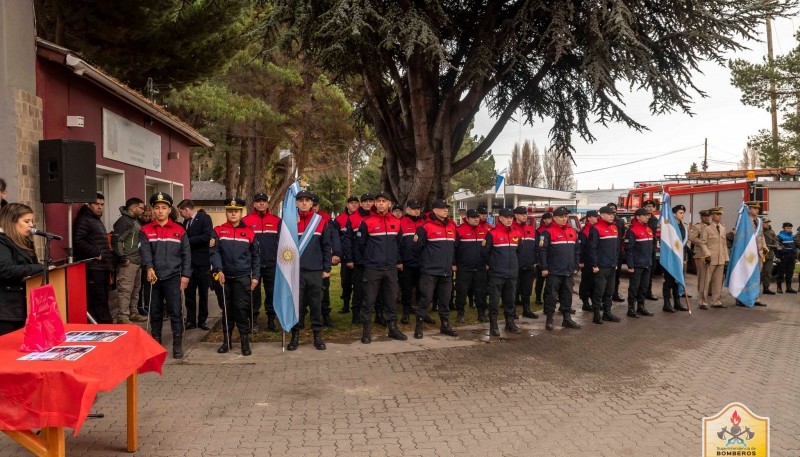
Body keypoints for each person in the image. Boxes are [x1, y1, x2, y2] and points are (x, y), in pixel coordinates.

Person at [139, 193, 192, 359]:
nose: (160, 211)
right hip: (153, 277)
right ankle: (156, 344)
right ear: (153, 210)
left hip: (173, 277)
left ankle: (177, 344)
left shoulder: (179, 230)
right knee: (154, 312)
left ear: (169, 210)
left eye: (164, 208)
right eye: (157, 208)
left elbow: (186, 255)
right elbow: (144, 251)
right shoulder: (145, 230)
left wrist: (185, 275)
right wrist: (149, 267)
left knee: (176, 311)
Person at [210, 197, 260, 356]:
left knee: (242, 310)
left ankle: (245, 342)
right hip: (224, 277)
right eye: (230, 211)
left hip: (242, 277)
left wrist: (255, 277)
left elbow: (256, 256)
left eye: (236, 211)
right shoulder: (217, 231)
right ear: (227, 212)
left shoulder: (250, 232)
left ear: (241, 212)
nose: (233, 214)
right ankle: (227, 341)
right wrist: (218, 269)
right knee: (227, 310)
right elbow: (214, 252)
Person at [356, 191, 406, 343]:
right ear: (375, 204)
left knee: (391, 300)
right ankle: (366, 331)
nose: (381, 203)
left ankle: (392, 329)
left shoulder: (397, 222)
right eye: (378, 201)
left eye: (384, 201)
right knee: (369, 300)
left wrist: (395, 261)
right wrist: (371, 258)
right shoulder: (367, 222)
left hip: (390, 269)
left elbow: (399, 245)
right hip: (373, 268)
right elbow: (361, 244)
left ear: (389, 204)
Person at [285, 191, 332, 351]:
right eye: (301, 200)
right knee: (297, 305)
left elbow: (326, 246)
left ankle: (317, 336)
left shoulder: (320, 222)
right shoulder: (290, 221)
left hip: (315, 271)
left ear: (312, 204)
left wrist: (326, 268)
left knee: (316, 304)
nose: (304, 203)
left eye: (307, 201)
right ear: (296, 203)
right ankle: (295, 336)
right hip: (295, 271)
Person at [412, 199, 458, 339]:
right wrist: (426, 262)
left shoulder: (451, 226)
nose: (446, 210)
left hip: (446, 272)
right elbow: (416, 249)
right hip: (430, 272)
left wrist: (453, 263)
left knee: (445, 300)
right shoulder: (425, 227)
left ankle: (445, 325)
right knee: (425, 299)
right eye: (442, 208)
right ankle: (418, 327)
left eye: (446, 208)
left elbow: (453, 248)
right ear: (435, 210)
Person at [0, 203, 44, 336]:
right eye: (26, 221)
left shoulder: (25, 241)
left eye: (31, 221)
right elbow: (5, 269)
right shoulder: (2, 241)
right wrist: (39, 267)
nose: (31, 225)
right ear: (12, 221)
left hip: (24, 305)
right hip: (7, 311)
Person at [242, 192, 281, 331]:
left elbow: (282, 243)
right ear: (254, 204)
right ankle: (253, 320)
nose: (261, 203)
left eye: (264, 201)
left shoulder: (277, 220)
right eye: (258, 201)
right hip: (253, 265)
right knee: (253, 294)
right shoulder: (245, 221)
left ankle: (271, 320)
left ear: (268, 203)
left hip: (272, 264)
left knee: (272, 293)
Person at [73, 193, 114, 324]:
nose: (100, 207)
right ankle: (104, 325)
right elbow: (78, 240)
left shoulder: (95, 219)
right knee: (98, 299)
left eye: (102, 204)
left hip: (102, 266)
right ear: (89, 205)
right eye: (97, 204)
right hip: (93, 267)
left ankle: (105, 324)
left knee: (103, 298)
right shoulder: (84, 219)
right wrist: (96, 253)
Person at [538, 206, 581, 331]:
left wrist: (575, 265)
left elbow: (577, 250)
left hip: (568, 271)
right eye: (562, 217)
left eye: (566, 216)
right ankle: (549, 319)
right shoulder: (547, 232)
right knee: (551, 296)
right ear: (554, 218)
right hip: (554, 271)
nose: (564, 219)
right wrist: (544, 267)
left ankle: (566, 319)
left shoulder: (572, 231)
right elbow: (542, 251)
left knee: (567, 295)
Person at [481, 208, 522, 336]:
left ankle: (509, 323)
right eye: (507, 217)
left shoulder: (516, 233)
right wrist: (492, 264)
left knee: (510, 301)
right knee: (494, 301)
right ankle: (493, 325)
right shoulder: (492, 233)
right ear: (501, 218)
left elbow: (519, 252)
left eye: (511, 217)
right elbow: (484, 252)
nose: (509, 220)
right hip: (497, 274)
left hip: (512, 274)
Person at [178, 199, 214, 331]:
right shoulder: (185, 222)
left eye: (181, 212)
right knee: (189, 294)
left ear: (186, 209)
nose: (181, 215)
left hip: (202, 262)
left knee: (203, 294)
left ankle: (202, 320)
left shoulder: (204, 218)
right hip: (189, 264)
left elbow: (206, 236)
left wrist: (187, 241)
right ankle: (191, 320)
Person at [111, 197, 147, 324]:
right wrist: (122, 258)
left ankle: (133, 312)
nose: (143, 211)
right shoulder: (124, 222)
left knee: (136, 289)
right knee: (125, 290)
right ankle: (123, 317)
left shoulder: (135, 221)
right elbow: (117, 240)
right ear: (133, 207)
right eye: (141, 208)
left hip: (137, 260)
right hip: (128, 262)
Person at [585, 206, 622, 324]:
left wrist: (615, 262)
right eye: (610, 214)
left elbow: (617, 247)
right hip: (601, 266)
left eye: (614, 214)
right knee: (599, 291)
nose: (613, 216)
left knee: (609, 291)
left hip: (611, 265)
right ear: (602, 215)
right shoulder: (596, 228)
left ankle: (607, 313)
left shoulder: (614, 227)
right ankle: (596, 315)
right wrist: (595, 264)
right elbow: (592, 248)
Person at [455, 209, 489, 322]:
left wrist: (488, 263)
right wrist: (454, 263)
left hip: (480, 268)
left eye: (477, 217)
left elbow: (489, 249)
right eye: (473, 217)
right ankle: (460, 313)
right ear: (467, 218)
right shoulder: (459, 231)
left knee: (481, 292)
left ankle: (481, 314)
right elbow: (454, 249)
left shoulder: (485, 231)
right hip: (464, 268)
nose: (476, 219)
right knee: (461, 291)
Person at [346, 193, 375, 325]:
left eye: (370, 201)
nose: (368, 203)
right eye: (365, 201)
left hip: (374, 260)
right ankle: (356, 315)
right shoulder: (353, 218)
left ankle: (374, 313)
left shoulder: (376, 217)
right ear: (361, 204)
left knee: (373, 288)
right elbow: (348, 241)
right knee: (358, 288)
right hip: (359, 261)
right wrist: (350, 259)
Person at [312, 195, 339, 329]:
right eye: (312, 205)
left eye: (315, 206)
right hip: (306, 262)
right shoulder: (297, 218)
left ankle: (325, 315)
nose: (313, 208)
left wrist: (336, 253)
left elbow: (333, 237)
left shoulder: (326, 219)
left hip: (322, 261)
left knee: (324, 290)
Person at [625, 208, 655, 317]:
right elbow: (628, 249)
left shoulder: (649, 229)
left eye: (648, 215)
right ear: (638, 217)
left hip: (647, 263)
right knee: (634, 287)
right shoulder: (632, 230)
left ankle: (641, 307)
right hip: (637, 265)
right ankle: (631, 309)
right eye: (645, 215)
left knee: (644, 287)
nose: (647, 217)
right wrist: (630, 265)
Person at [398, 199, 424, 324]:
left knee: (421, 289)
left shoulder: (423, 223)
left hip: (421, 263)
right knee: (406, 289)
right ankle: (406, 312)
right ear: (407, 210)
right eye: (413, 208)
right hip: (406, 263)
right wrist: (399, 261)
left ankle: (421, 312)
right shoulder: (401, 223)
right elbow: (397, 245)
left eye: (418, 208)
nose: (416, 210)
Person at [511, 206, 539, 319]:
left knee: (527, 289)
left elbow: (536, 247)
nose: (524, 216)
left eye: (525, 214)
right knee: (513, 289)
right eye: (522, 214)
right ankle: (511, 311)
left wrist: (536, 261)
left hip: (529, 265)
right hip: (515, 265)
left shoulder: (531, 229)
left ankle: (526, 310)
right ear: (516, 215)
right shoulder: (511, 228)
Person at [333, 196, 359, 314]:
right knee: (346, 282)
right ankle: (345, 304)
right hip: (345, 256)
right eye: (351, 203)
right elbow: (336, 238)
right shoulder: (339, 219)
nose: (354, 205)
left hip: (359, 256)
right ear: (347, 205)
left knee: (359, 282)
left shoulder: (362, 217)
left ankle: (358, 305)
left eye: (356, 203)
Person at [661, 204, 690, 313]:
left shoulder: (684, 226)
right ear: (674, 214)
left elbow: (684, 242)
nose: (682, 215)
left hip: (680, 257)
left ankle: (677, 303)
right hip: (670, 257)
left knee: (677, 281)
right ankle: (667, 304)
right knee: (668, 281)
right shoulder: (669, 225)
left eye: (683, 213)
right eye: (680, 213)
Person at [703, 207, 728, 309]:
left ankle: (716, 301)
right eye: (718, 214)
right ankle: (702, 302)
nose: (720, 216)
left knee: (718, 281)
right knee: (706, 281)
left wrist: (726, 258)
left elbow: (724, 244)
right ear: (712, 216)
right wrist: (707, 254)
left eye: (720, 214)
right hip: (711, 258)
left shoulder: (722, 228)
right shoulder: (707, 228)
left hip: (720, 258)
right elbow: (703, 243)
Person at [689, 209, 712, 308]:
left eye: (708, 216)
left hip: (711, 254)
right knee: (703, 278)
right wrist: (703, 241)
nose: (707, 218)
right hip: (701, 254)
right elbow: (692, 238)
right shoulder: (697, 227)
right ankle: (702, 300)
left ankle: (710, 294)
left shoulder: (712, 226)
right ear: (701, 217)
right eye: (704, 216)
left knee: (711, 278)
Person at [606, 202, 627, 302]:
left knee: (616, 275)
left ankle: (615, 294)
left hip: (617, 251)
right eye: (610, 209)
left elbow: (622, 235)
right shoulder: (603, 223)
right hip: (607, 253)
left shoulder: (620, 221)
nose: (612, 212)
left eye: (614, 210)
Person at [578, 210, 599, 312]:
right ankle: (585, 302)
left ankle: (593, 301)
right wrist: (581, 261)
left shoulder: (595, 228)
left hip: (595, 260)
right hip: (587, 261)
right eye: (595, 217)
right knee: (586, 282)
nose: (597, 218)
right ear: (589, 218)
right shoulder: (585, 231)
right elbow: (581, 247)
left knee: (595, 283)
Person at [533, 211, 553, 305]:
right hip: (541, 260)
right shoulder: (539, 231)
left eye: (551, 218)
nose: (551, 220)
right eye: (549, 218)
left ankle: (547, 298)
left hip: (551, 260)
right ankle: (538, 297)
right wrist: (538, 260)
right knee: (540, 280)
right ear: (544, 220)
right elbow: (538, 246)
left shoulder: (552, 229)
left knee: (550, 282)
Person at [643, 199, 660, 301]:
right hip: (642, 249)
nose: (649, 208)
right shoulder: (641, 219)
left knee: (650, 272)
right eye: (647, 206)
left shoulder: (655, 219)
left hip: (652, 249)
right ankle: (640, 293)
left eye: (651, 206)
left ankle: (648, 292)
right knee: (641, 273)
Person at [776, 222, 797, 293]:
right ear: (783, 228)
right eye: (787, 228)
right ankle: (779, 287)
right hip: (783, 257)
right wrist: (778, 257)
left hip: (791, 257)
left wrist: (795, 257)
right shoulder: (780, 237)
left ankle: (789, 288)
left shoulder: (792, 236)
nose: (789, 229)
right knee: (781, 272)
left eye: (790, 228)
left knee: (790, 272)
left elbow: (794, 248)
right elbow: (777, 248)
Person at [761, 217, 777, 295]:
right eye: (765, 223)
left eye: (768, 223)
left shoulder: (771, 232)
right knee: (759, 272)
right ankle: (755, 287)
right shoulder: (758, 232)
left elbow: (776, 242)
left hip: (769, 255)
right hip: (760, 255)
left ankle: (766, 288)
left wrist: (773, 246)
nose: (767, 224)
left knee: (768, 272)